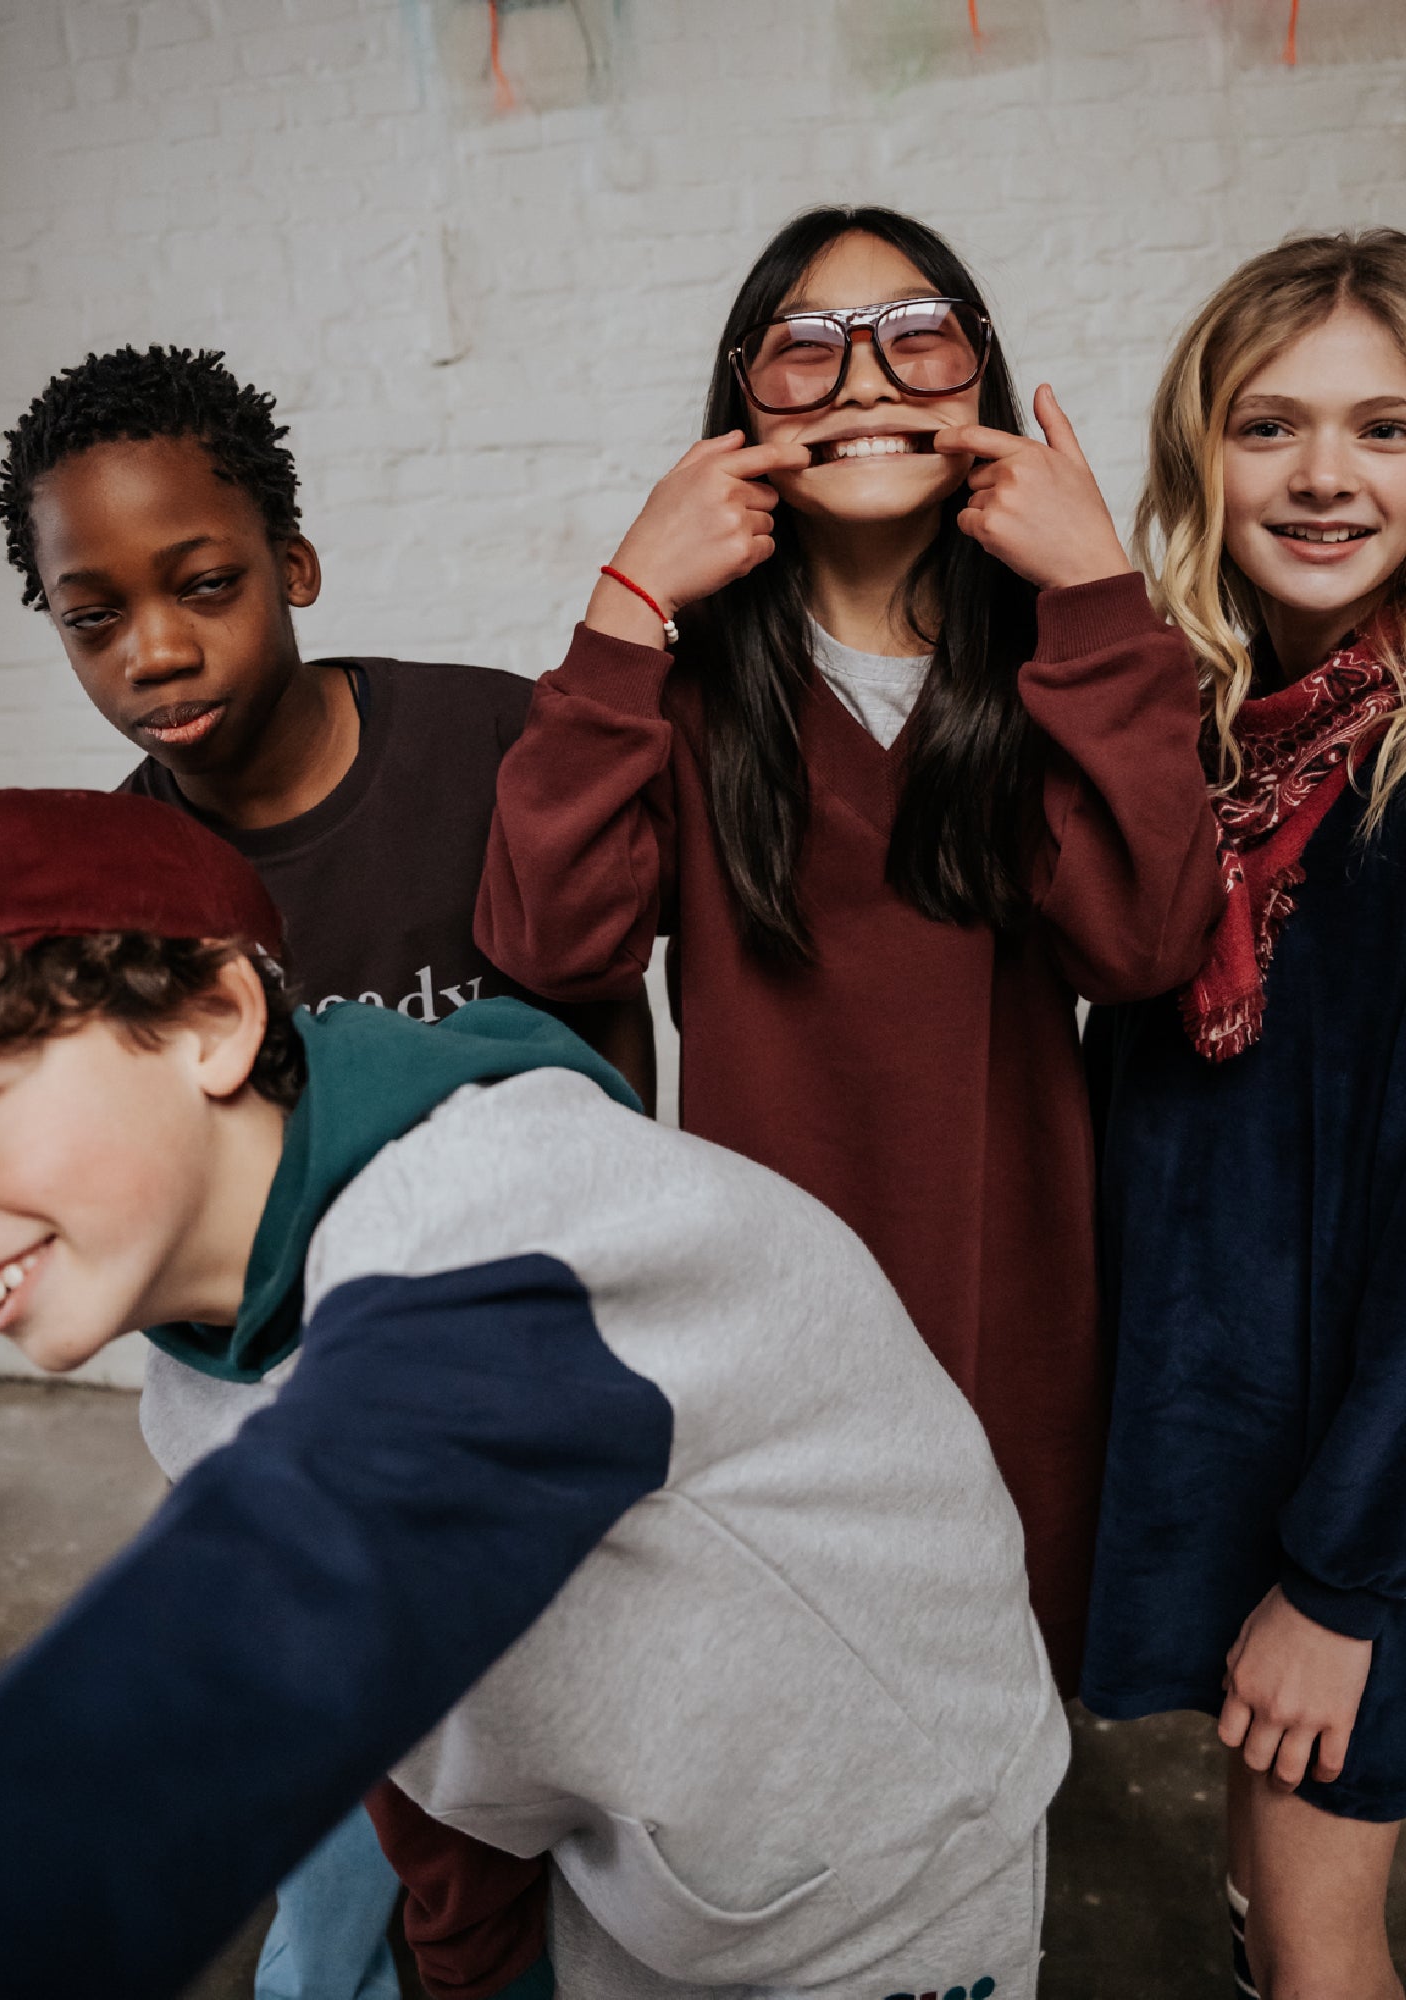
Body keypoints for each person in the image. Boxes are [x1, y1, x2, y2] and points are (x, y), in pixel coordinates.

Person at [0, 787, 1067, 2000]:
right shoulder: (197, 1379)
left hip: (888, 1861)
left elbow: (296, 1590)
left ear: (213, 1020)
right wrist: (480, 1958)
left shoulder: (504, 1209)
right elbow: (405, 1696)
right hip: (643, 1877)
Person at [475, 204, 1225, 1686]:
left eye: (919, 336)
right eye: (805, 351)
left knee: (995, 1719)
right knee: (806, 1710)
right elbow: (554, 939)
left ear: (984, 384)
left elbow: (1144, 943)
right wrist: (626, 605)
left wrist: (1094, 594)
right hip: (771, 1332)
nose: (868, 380)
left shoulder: (1059, 673)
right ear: (740, 410)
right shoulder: (684, 701)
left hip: (1018, 1319)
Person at [0, 343, 655, 2000]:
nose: (152, 650)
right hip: (321, 1484)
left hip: (556, 1406)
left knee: (601, 1867)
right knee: (347, 1915)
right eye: (92, 617)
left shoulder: (494, 742)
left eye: (202, 584)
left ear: (291, 568)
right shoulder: (116, 895)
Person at [1079, 230, 1406, 2000]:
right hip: (1256, 1453)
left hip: (1367, 1508)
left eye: (1387, 428)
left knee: (1318, 1948)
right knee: (1262, 1909)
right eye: (1271, 425)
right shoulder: (1215, 749)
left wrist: (1343, 1581)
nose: (1327, 476)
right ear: (1203, 455)